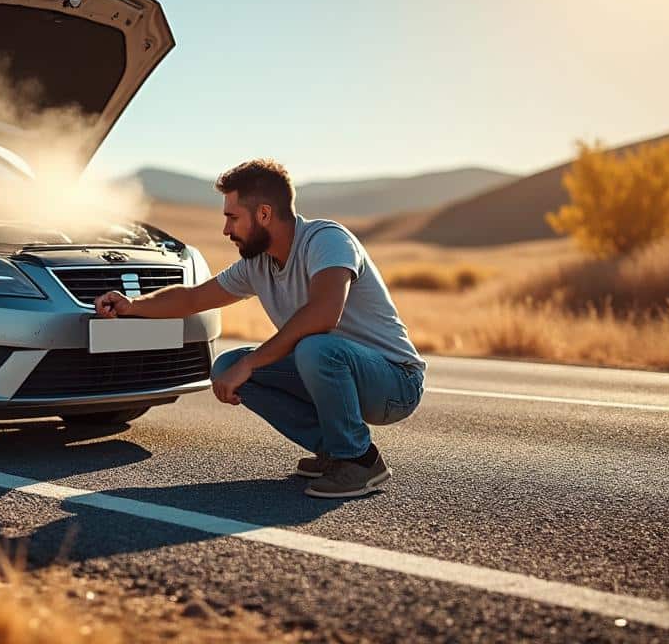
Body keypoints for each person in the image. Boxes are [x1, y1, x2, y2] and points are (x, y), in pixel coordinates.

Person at [93, 159, 425, 498]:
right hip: (334, 368)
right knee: (225, 367)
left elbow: (324, 315)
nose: (225, 229)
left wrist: (250, 362)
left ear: (264, 214)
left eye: (232, 217)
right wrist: (132, 306)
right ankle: (334, 451)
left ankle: (359, 459)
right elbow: (193, 299)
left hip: (394, 383)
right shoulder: (258, 264)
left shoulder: (327, 240)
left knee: (310, 347)